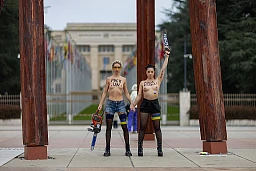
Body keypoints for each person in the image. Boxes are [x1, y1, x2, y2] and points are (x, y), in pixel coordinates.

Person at [130, 49, 170, 157]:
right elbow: (139, 96)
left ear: (154, 72)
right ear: (146, 72)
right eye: (149, 72)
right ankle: (140, 148)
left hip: (155, 105)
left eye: (152, 71)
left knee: (157, 127)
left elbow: (163, 69)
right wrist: (133, 104)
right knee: (142, 127)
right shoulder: (142, 83)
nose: (150, 73)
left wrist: (166, 57)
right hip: (145, 105)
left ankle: (160, 148)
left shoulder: (158, 80)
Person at [98, 60, 132, 157]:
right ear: (113, 68)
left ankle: (128, 149)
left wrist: (132, 103)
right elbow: (105, 92)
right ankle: (107, 149)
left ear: (120, 69)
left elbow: (126, 92)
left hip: (120, 103)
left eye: (118, 67)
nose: (117, 69)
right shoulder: (109, 79)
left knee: (124, 127)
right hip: (110, 103)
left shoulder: (123, 79)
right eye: (115, 67)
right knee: (109, 127)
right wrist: (101, 103)